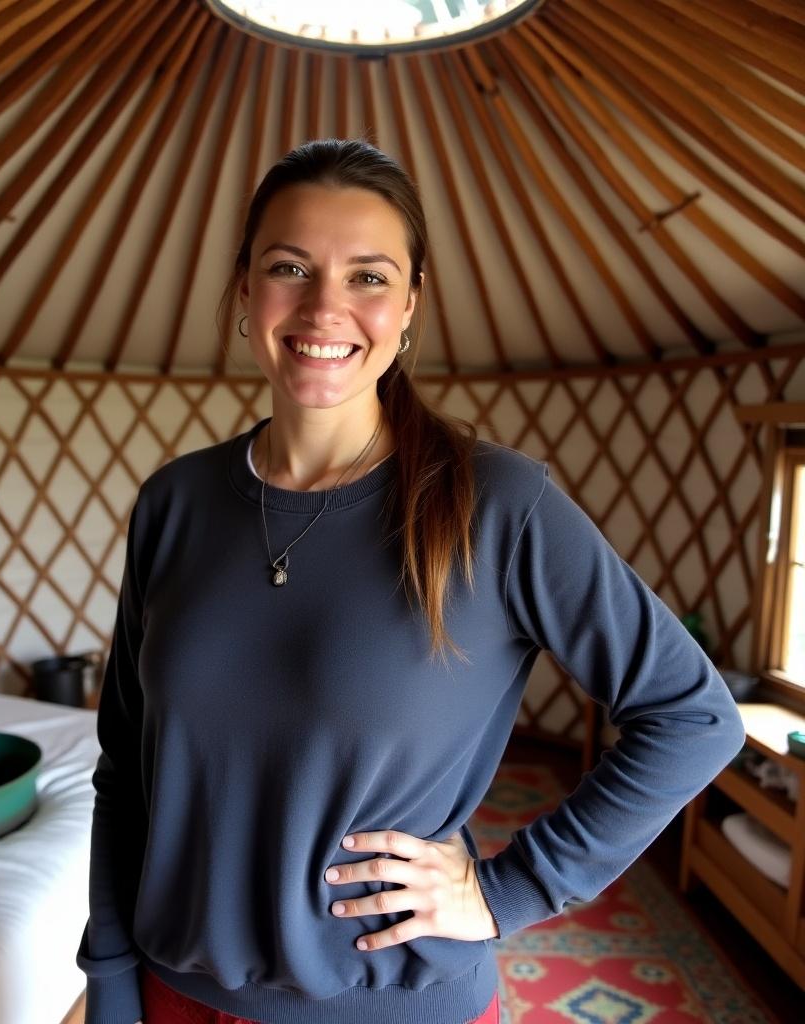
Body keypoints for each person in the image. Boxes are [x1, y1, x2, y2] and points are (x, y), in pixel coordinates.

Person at [75, 138, 746, 1024]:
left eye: (368, 276)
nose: (325, 306)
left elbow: (694, 716)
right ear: (245, 289)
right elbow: (126, 770)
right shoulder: (177, 503)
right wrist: (113, 979)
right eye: (290, 266)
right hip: (172, 993)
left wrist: (510, 890)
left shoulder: (496, 504)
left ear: (411, 304)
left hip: (392, 1004)